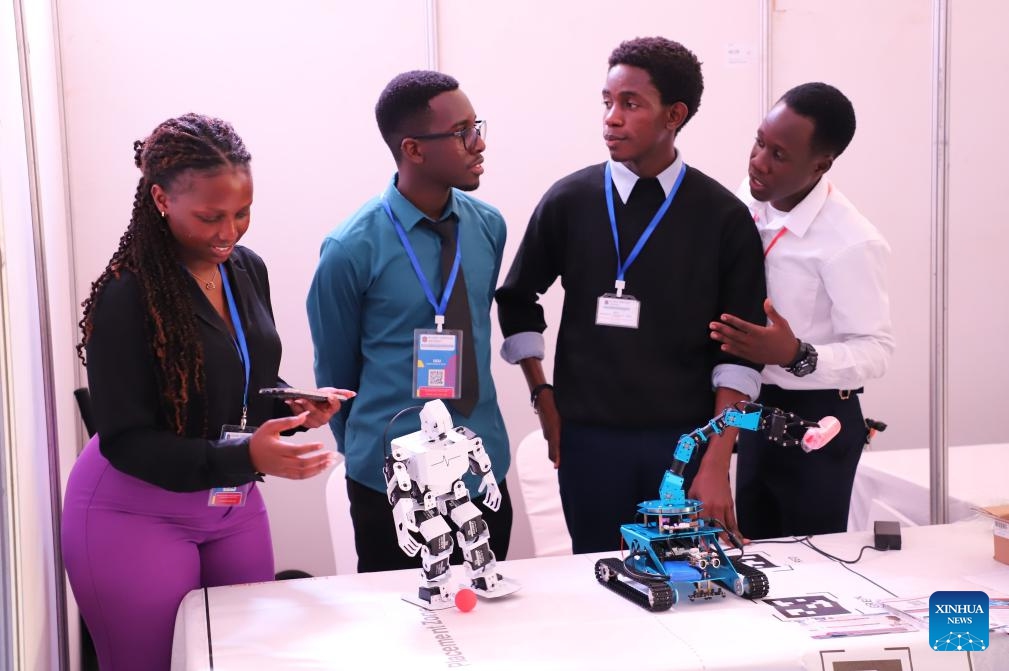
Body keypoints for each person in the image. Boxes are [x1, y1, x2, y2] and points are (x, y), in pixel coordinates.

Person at [62, 113, 344, 671]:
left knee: (247, 659)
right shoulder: (127, 295)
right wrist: (246, 455)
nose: (229, 232)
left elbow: (239, 379)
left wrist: (292, 404)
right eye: (211, 217)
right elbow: (126, 440)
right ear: (163, 200)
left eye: (242, 213)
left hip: (230, 506)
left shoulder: (246, 270)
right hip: (131, 513)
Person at [495, 37, 766, 553]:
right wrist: (541, 396)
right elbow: (516, 296)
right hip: (589, 445)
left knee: (687, 588)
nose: (611, 119)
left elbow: (741, 353)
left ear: (674, 115)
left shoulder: (723, 217)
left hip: (687, 446)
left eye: (631, 104)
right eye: (607, 102)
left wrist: (717, 459)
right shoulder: (569, 200)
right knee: (598, 588)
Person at [307, 71, 512, 573]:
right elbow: (336, 376)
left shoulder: (489, 226)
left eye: (476, 126)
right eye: (462, 132)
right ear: (414, 150)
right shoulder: (350, 248)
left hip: (481, 469)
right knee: (402, 633)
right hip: (393, 486)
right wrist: (372, 453)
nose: (479, 142)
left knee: (489, 625)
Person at [709, 82, 895, 539]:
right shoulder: (749, 198)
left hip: (819, 418)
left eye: (779, 154)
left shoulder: (850, 241)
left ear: (821, 165)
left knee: (810, 564)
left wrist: (796, 353)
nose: (759, 161)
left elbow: (877, 350)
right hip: (755, 406)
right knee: (749, 549)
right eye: (759, 142)